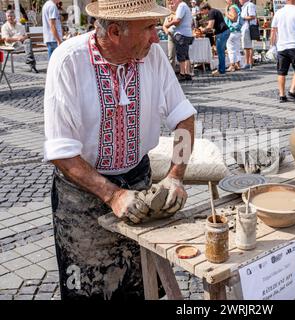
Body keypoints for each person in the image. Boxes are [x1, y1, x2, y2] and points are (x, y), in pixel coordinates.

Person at [44, 0, 197, 299]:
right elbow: (61, 150)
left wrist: (176, 175)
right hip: (82, 194)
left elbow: (184, 117)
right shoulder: (68, 60)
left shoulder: (152, 57)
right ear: (114, 31)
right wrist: (112, 194)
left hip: (139, 180)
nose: (157, 37)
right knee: (88, 288)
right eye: (149, 28)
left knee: (143, 281)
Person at [270, 0, 295, 103]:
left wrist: (272, 45)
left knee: (281, 72)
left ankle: (282, 95)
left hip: (281, 46)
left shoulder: (278, 12)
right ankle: (292, 91)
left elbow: (273, 30)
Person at [164, 0, 194, 81]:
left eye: (173, 1)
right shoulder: (185, 6)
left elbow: (177, 21)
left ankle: (182, 74)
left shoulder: (181, 6)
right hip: (187, 34)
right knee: (186, 55)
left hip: (181, 34)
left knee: (181, 55)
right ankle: (187, 73)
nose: (172, 2)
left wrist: (167, 25)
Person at [199, 2, 230, 76]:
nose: (202, 13)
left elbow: (210, 26)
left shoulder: (211, 12)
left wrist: (203, 30)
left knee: (220, 52)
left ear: (206, 9)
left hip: (222, 32)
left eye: (202, 11)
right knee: (221, 51)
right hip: (224, 31)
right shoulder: (214, 11)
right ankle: (221, 69)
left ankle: (221, 70)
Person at [224, 0, 242, 71]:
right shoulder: (236, 7)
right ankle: (237, 64)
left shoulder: (232, 8)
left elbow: (234, 18)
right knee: (236, 48)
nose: (226, 2)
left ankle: (232, 65)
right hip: (237, 31)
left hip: (232, 31)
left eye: (226, 1)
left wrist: (226, 13)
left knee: (231, 49)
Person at [240, 0, 257, 69]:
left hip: (248, 27)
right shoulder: (245, 6)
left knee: (247, 46)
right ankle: (249, 63)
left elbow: (252, 16)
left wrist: (242, 18)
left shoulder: (249, 5)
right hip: (245, 27)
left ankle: (248, 63)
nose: (239, 0)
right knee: (247, 46)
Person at [163, 2, 177, 72]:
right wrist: (166, 31)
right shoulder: (167, 15)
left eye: (172, 4)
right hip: (171, 36)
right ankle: (172, 73)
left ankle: (185, 72)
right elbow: (164, 26)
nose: (171, 6)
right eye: (169, 4)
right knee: (171, 55)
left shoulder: (179, 12)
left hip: (180, 35)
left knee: (183, 55)